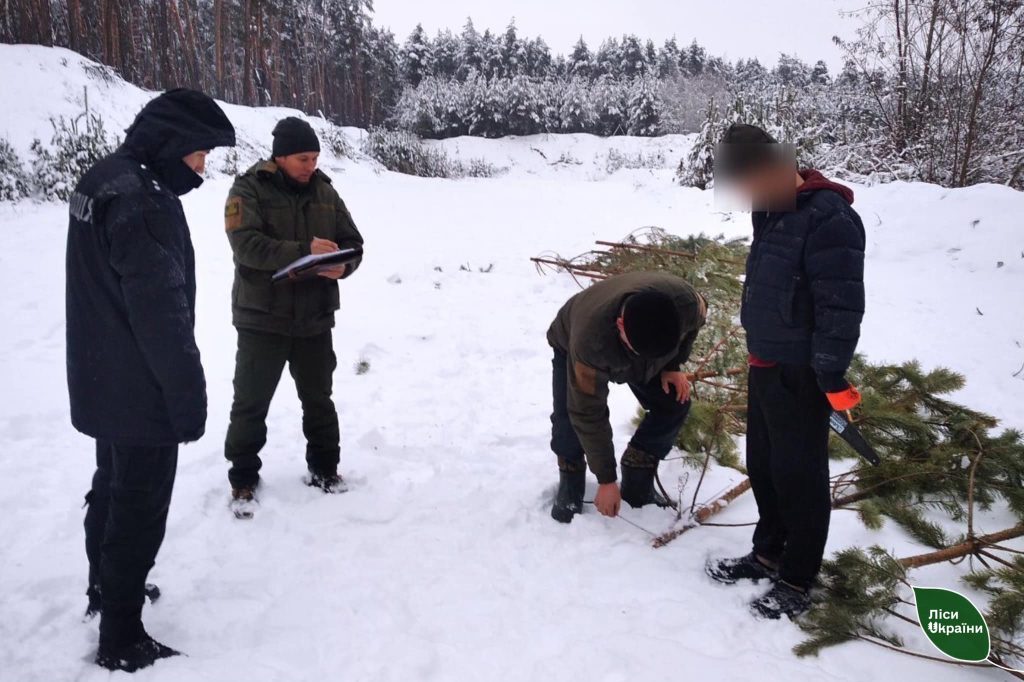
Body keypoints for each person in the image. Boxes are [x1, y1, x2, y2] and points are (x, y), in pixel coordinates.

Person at [66, 88, 236, 671]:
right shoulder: (146, 200)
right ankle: (122, 634)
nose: (202, 167)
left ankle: (103, 588)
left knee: (110, 485)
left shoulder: (102, 179)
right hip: (142, 388)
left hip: (100, 373)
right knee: (138, 507)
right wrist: (187, 399)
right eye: (199, 153)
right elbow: (161, 314)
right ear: (172, 142)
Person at [705, 123, 866, 619]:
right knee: (765, 467)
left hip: (801, 369)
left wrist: (829, 373)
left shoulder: (831, 218)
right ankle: (768, 552)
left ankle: (798, 578)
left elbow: (840, 307)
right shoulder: (771, 209)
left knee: (801, 478)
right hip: (766, 363)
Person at [223, 116, 364, 516]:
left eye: (316, 157)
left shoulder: (325, 191)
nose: (311, 166)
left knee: (319, 399)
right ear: (281, 156)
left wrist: (345, 265)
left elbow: (353, 243)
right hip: (261, 318)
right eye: (303, 158)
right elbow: (246, 246)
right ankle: (243, 479)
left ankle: (325, 470)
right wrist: (303, 251)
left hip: (314, 318)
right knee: (250, 401)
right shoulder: (248, 188)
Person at [546, 271, 707, 523]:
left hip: (647, 345)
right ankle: (570, 482)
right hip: (571, 340)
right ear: (621, 326)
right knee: (570, 415)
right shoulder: (590, 342)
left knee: (674, 401)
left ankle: (637, 479)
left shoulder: (688, 304)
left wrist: (672, 366)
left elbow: (694, 325)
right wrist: (606, 480)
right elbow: (588, 412)